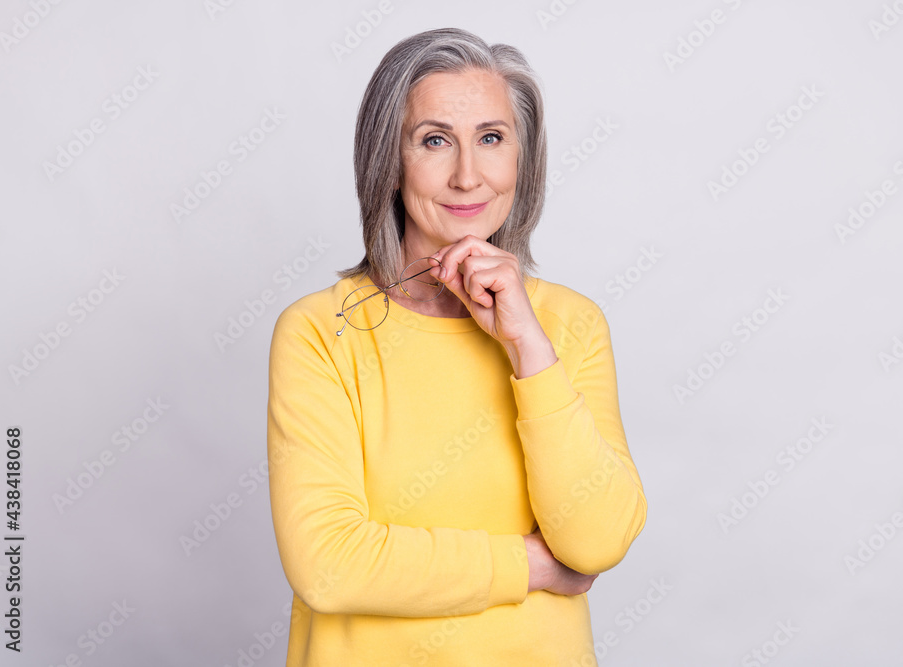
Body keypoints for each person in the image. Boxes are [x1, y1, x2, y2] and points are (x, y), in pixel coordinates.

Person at [267, 27, 647, 666]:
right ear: (388, 162)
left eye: (491, 139)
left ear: (521, 161)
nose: (468, 175)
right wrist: (527, 565)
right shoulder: (319, 331)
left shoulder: (570, 324)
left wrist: (528, 345)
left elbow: (598, 541)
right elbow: (328, 563)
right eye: (435, 140)